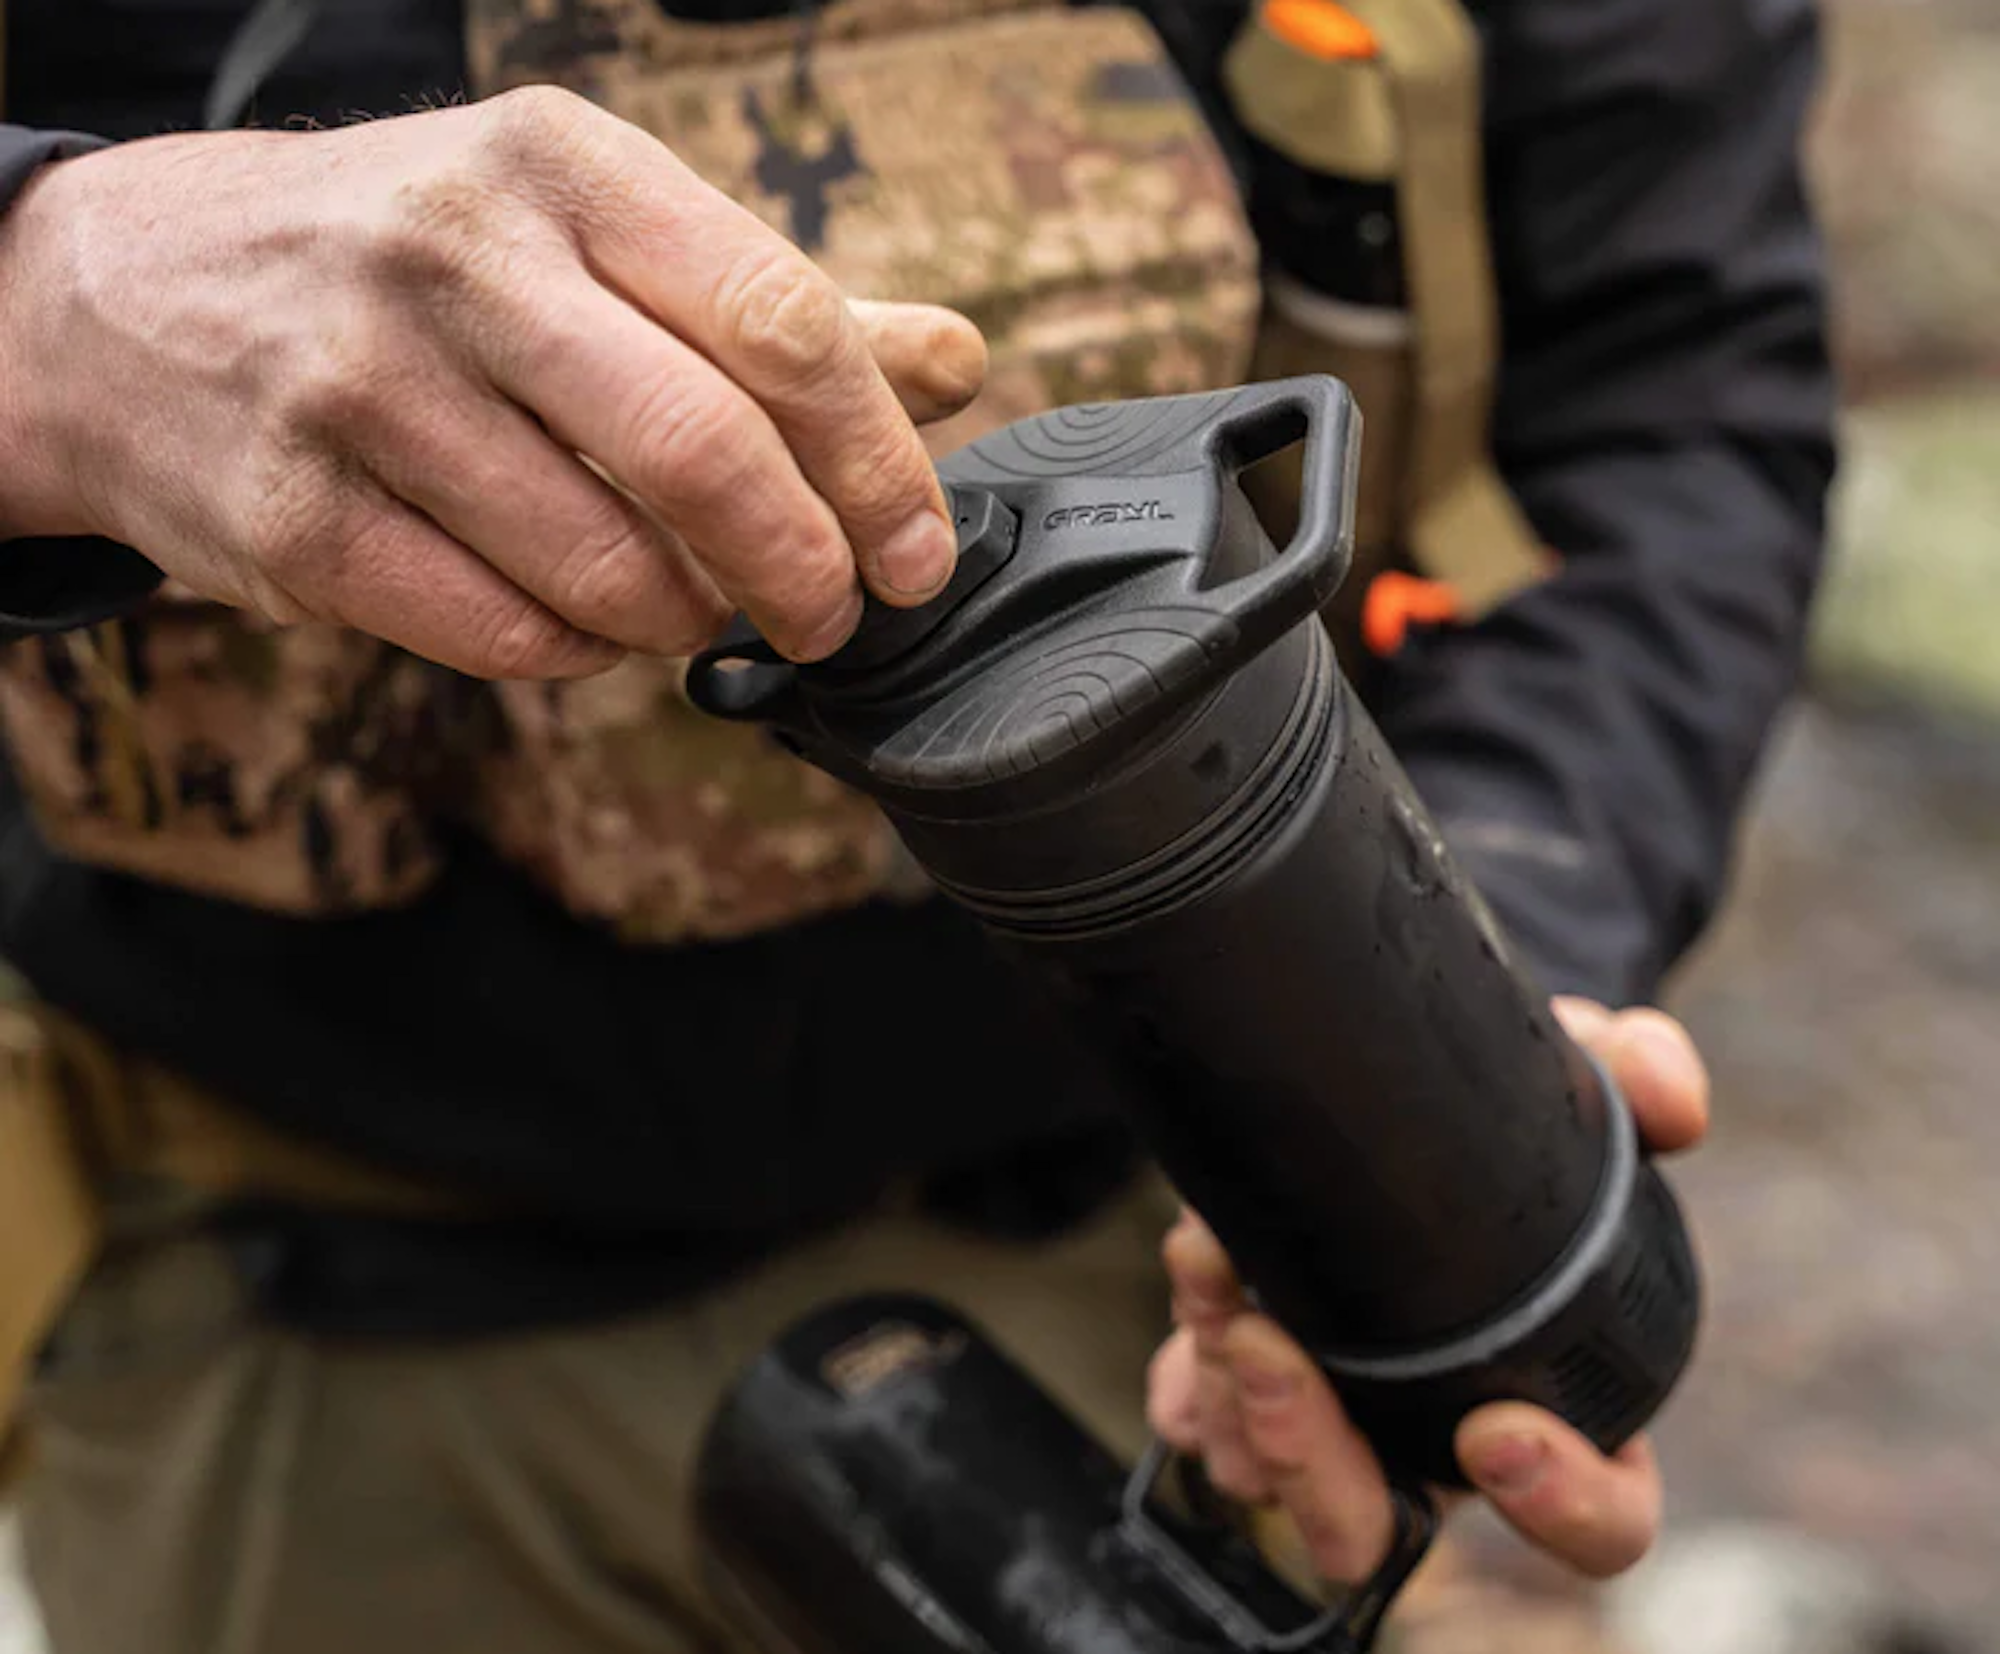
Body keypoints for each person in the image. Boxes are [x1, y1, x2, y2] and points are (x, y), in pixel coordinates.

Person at [0, 0, 1832, 1647]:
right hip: (288, 1334)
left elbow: (1663, 378)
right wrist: (48, 288)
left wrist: (1456, 991)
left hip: (1170, 1271)